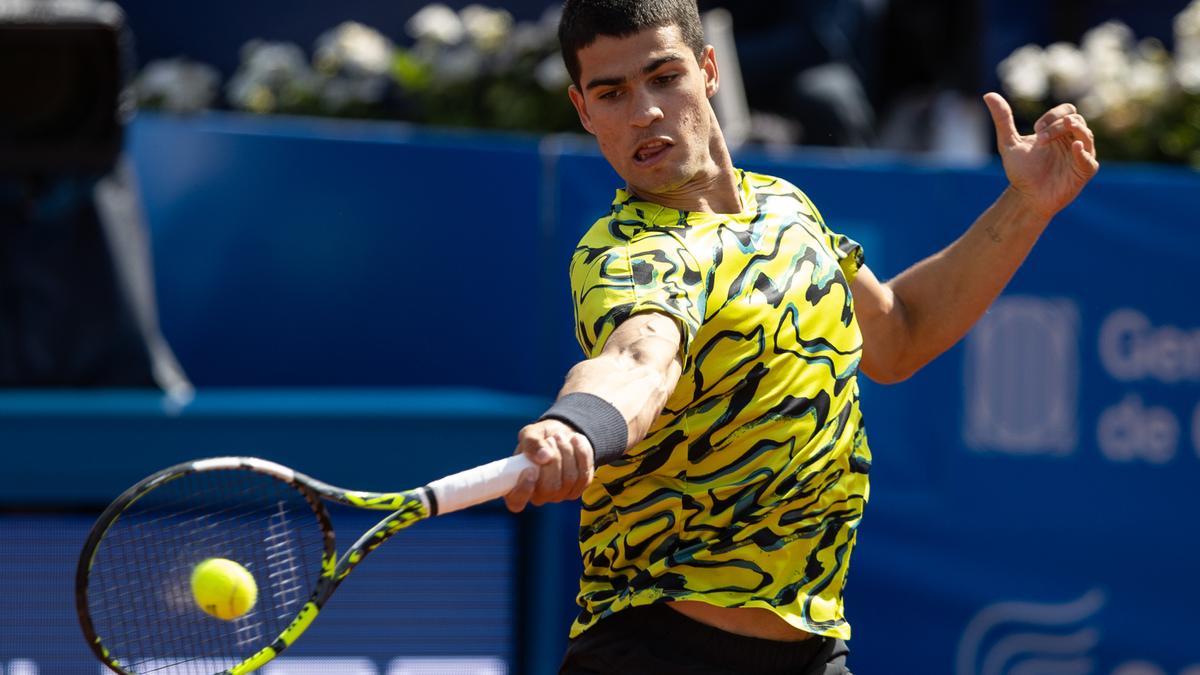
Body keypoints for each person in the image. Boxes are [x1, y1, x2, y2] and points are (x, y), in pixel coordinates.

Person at [502, 1, 1098, 672]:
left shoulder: (788, 208)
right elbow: (639, 357)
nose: (644, 112)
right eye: (611, 94)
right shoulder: (625, 254)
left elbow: (900, 333)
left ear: (708, 70)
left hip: (812, 648)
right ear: (584, 111)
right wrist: (577, 425)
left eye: (664, 77)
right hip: (655, 648)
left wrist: (1027, 204)